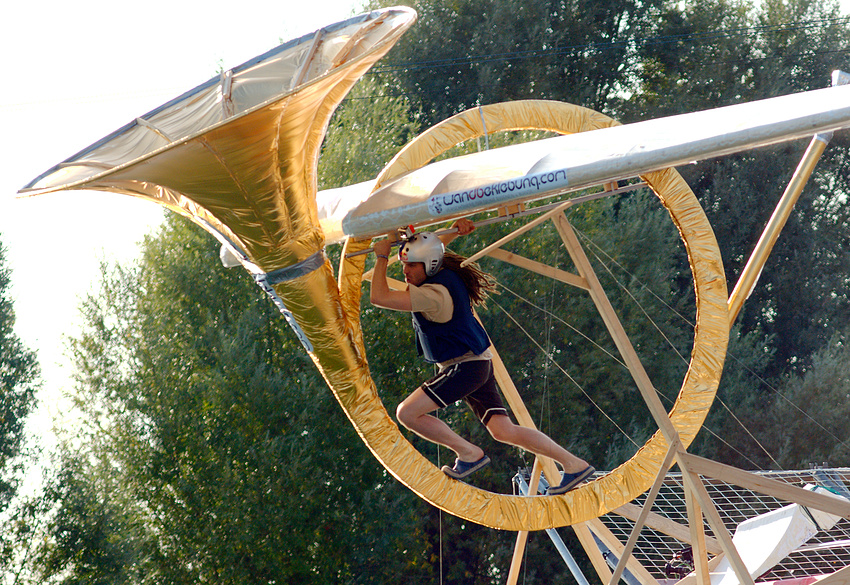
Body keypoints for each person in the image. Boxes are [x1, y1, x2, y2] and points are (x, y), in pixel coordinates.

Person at [369, 218, 594, 495]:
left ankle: (468, 453)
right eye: (404, 264)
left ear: (428, 266)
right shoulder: (439, 273)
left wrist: (381, 256)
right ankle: (573, 464)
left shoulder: (432, 294)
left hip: (465, 367)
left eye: (410, 265)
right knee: (503, 431)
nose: (404, 271)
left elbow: (379, 296)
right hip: (479, 363)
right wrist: (452, 229)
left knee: (407, 413)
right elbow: (435, 249)